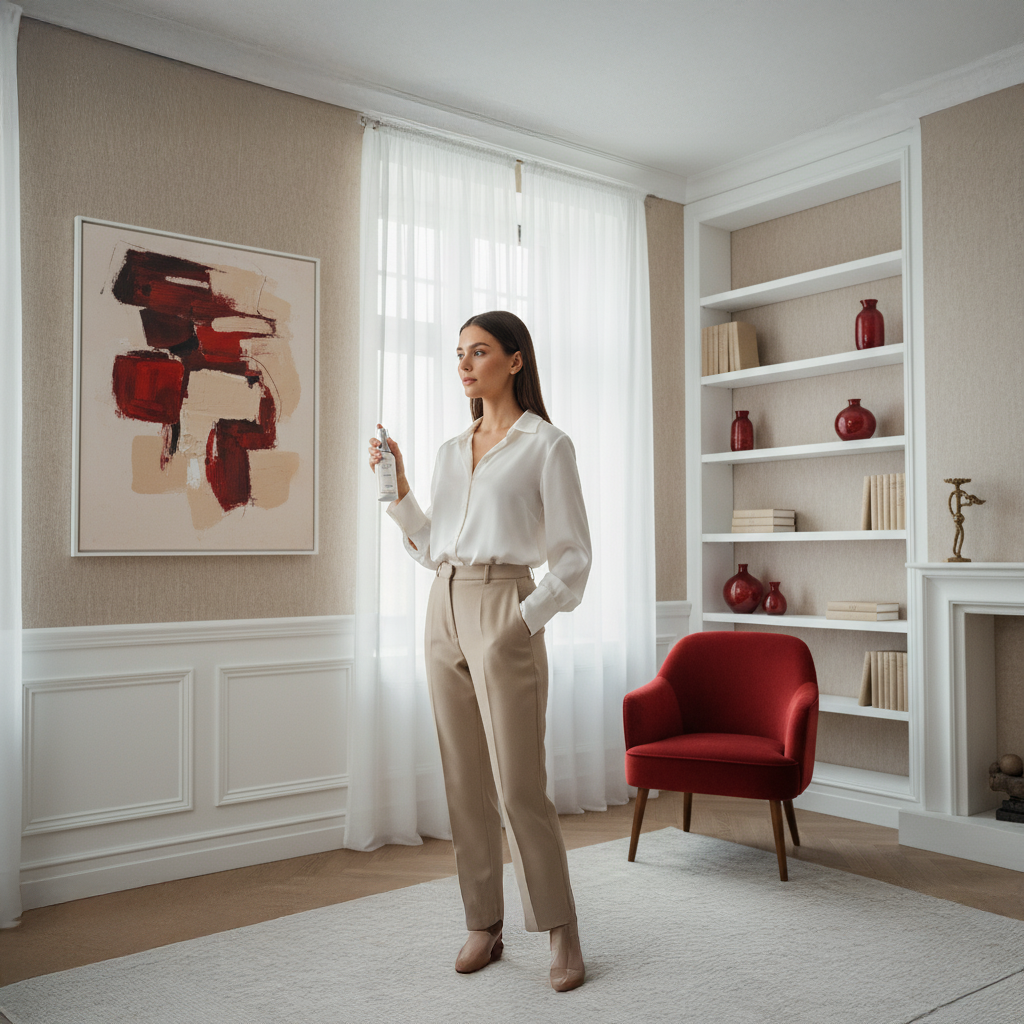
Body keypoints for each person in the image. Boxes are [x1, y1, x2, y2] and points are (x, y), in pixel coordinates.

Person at [368, 310, 590, 992]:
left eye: (480, 351)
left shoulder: (546, 446)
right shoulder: (446, 450)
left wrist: (520, 623)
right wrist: (397, 487)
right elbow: (432, 547)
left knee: (520, 785)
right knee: (464, 779)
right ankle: (483, 925)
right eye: (459, 353)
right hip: (445, 605)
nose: (465, 364)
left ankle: (562, 931)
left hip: (504, 608)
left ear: (515, 360)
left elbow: (574, 559)